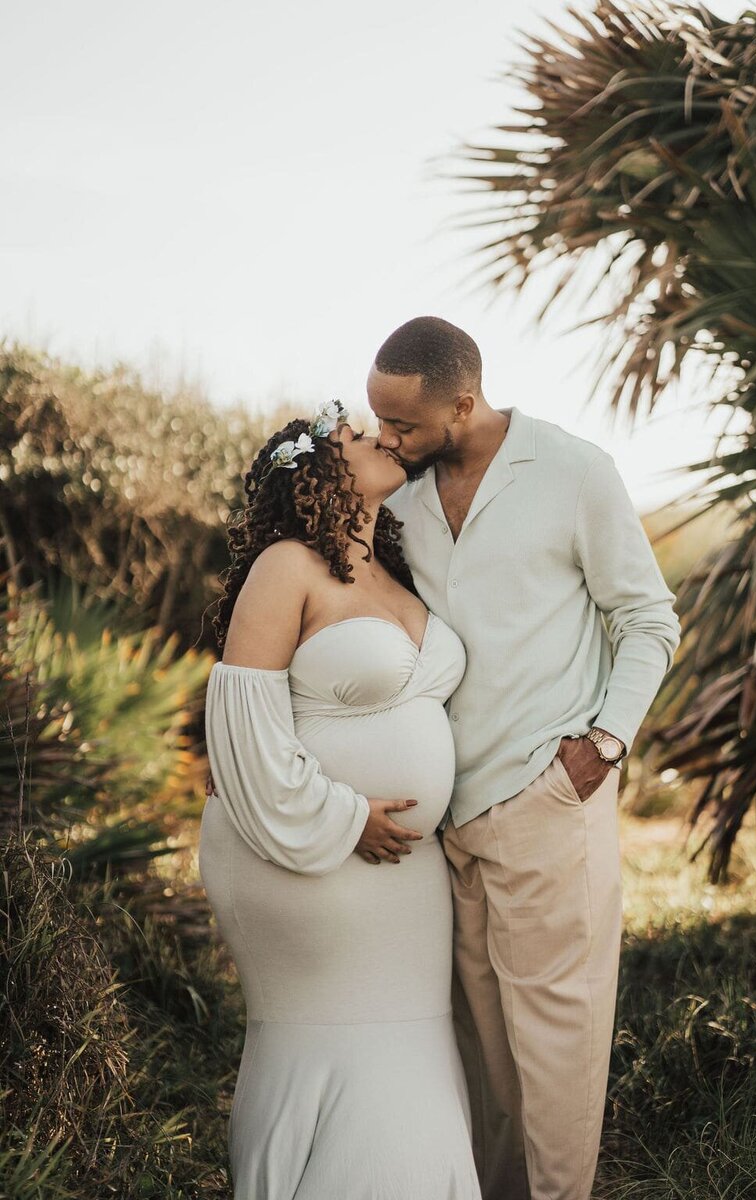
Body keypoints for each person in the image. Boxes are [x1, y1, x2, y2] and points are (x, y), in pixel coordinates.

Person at [369, 316, 682, 1200]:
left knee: (558, 1048)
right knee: (484, 1057)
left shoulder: (575, 472)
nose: (388, 442)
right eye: (379, 423)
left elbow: (650, 620)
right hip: (447, 824)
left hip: (549, 799)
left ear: (462, 403)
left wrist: (604, 747)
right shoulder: (399, 501)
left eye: (403, 426)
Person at [198, 398, 481, 1199]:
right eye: (361, 433)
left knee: (412, 1043)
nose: (383, 437)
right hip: (302, 854)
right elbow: (244, 737)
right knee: (342, 1041)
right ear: (318, 469)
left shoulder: (397, 567)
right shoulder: (285, 566)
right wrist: (350, 817)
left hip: (404, 877)